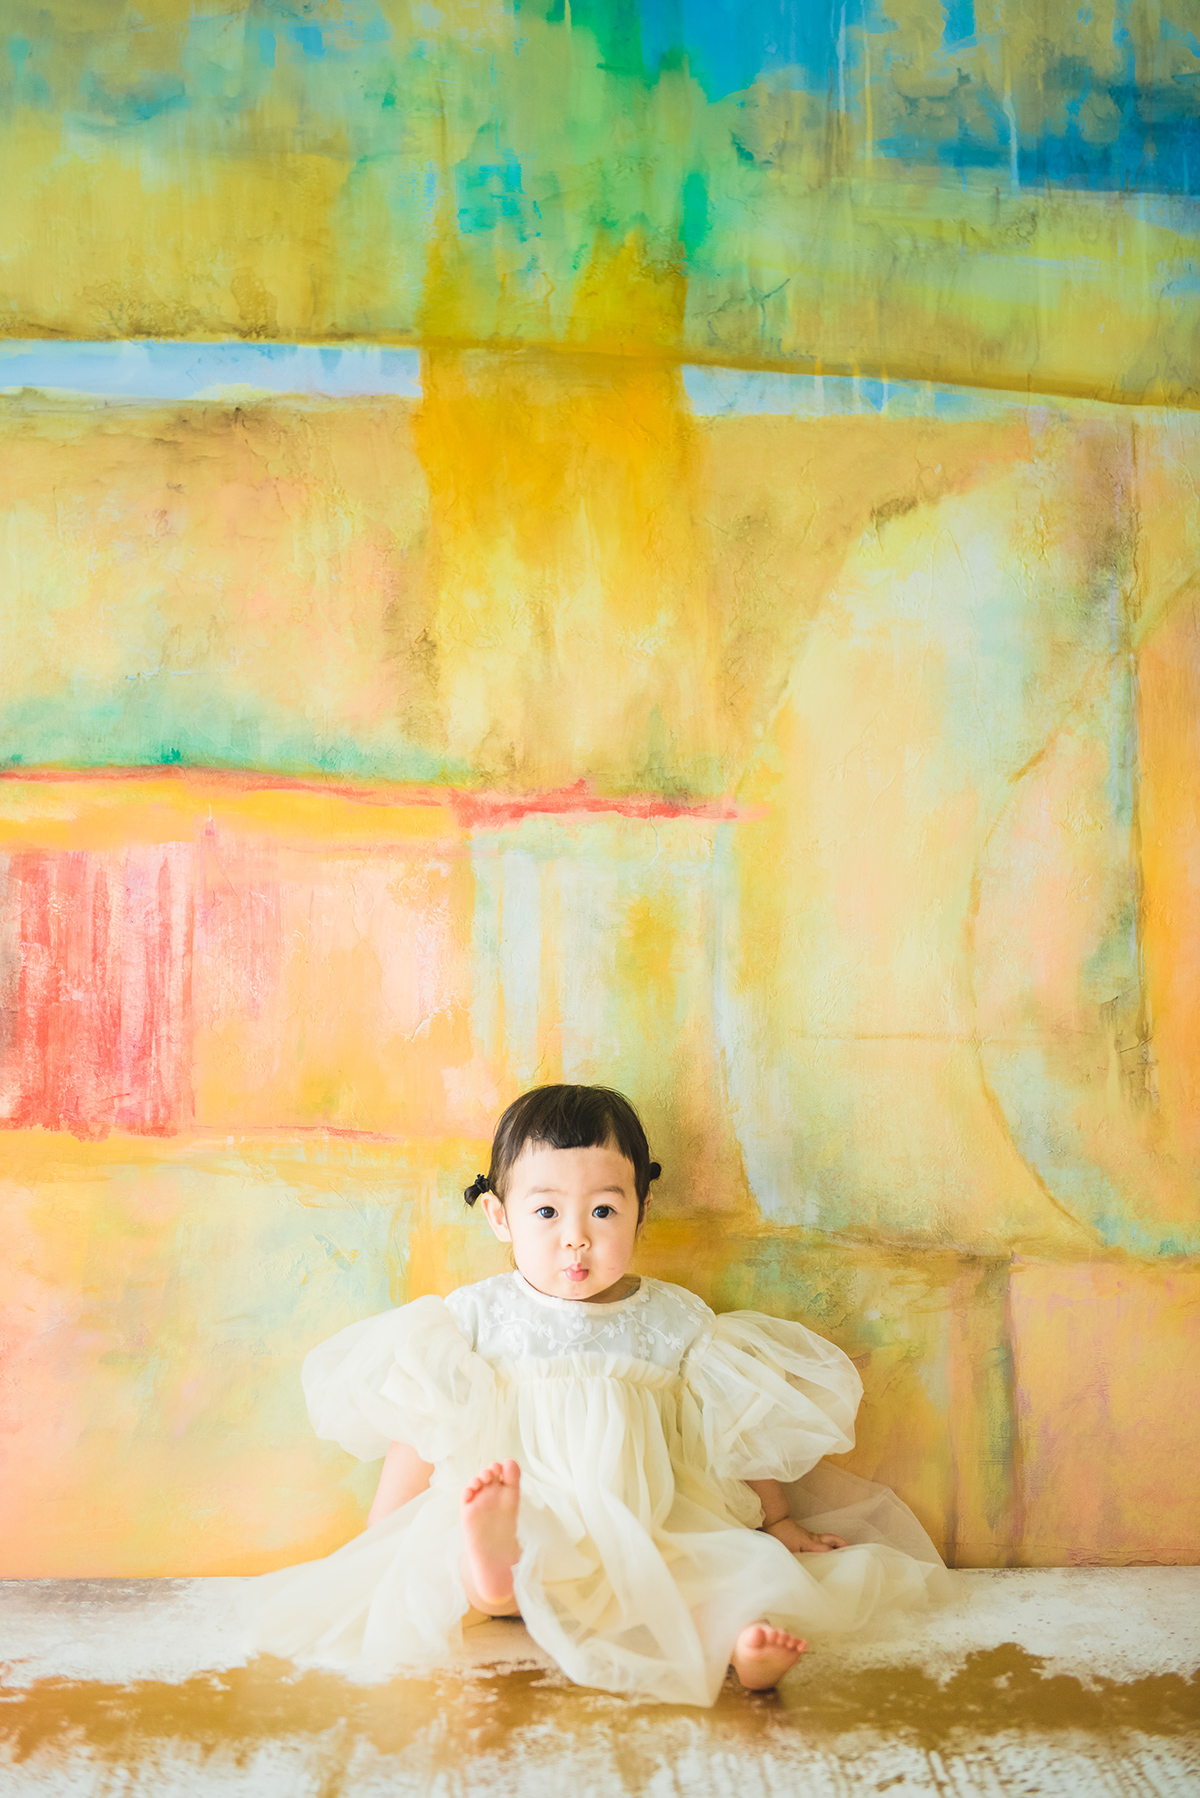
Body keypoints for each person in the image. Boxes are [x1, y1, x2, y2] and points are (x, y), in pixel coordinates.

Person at [246, 1085, 949, 1705]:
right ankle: (494, 1568)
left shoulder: (673, 1318)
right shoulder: (476, 1318)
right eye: (546, 1212)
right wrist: (382, 1536)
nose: (575, 1239)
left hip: (648, 1517)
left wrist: (779, 1521)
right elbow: (420, 1428)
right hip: (530, 1503)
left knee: (713, 1571)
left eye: (604, 1211)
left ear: (642, 1209)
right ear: (499, 1216)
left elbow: (738, 1426)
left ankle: (744, 1649)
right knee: (481, 1564)